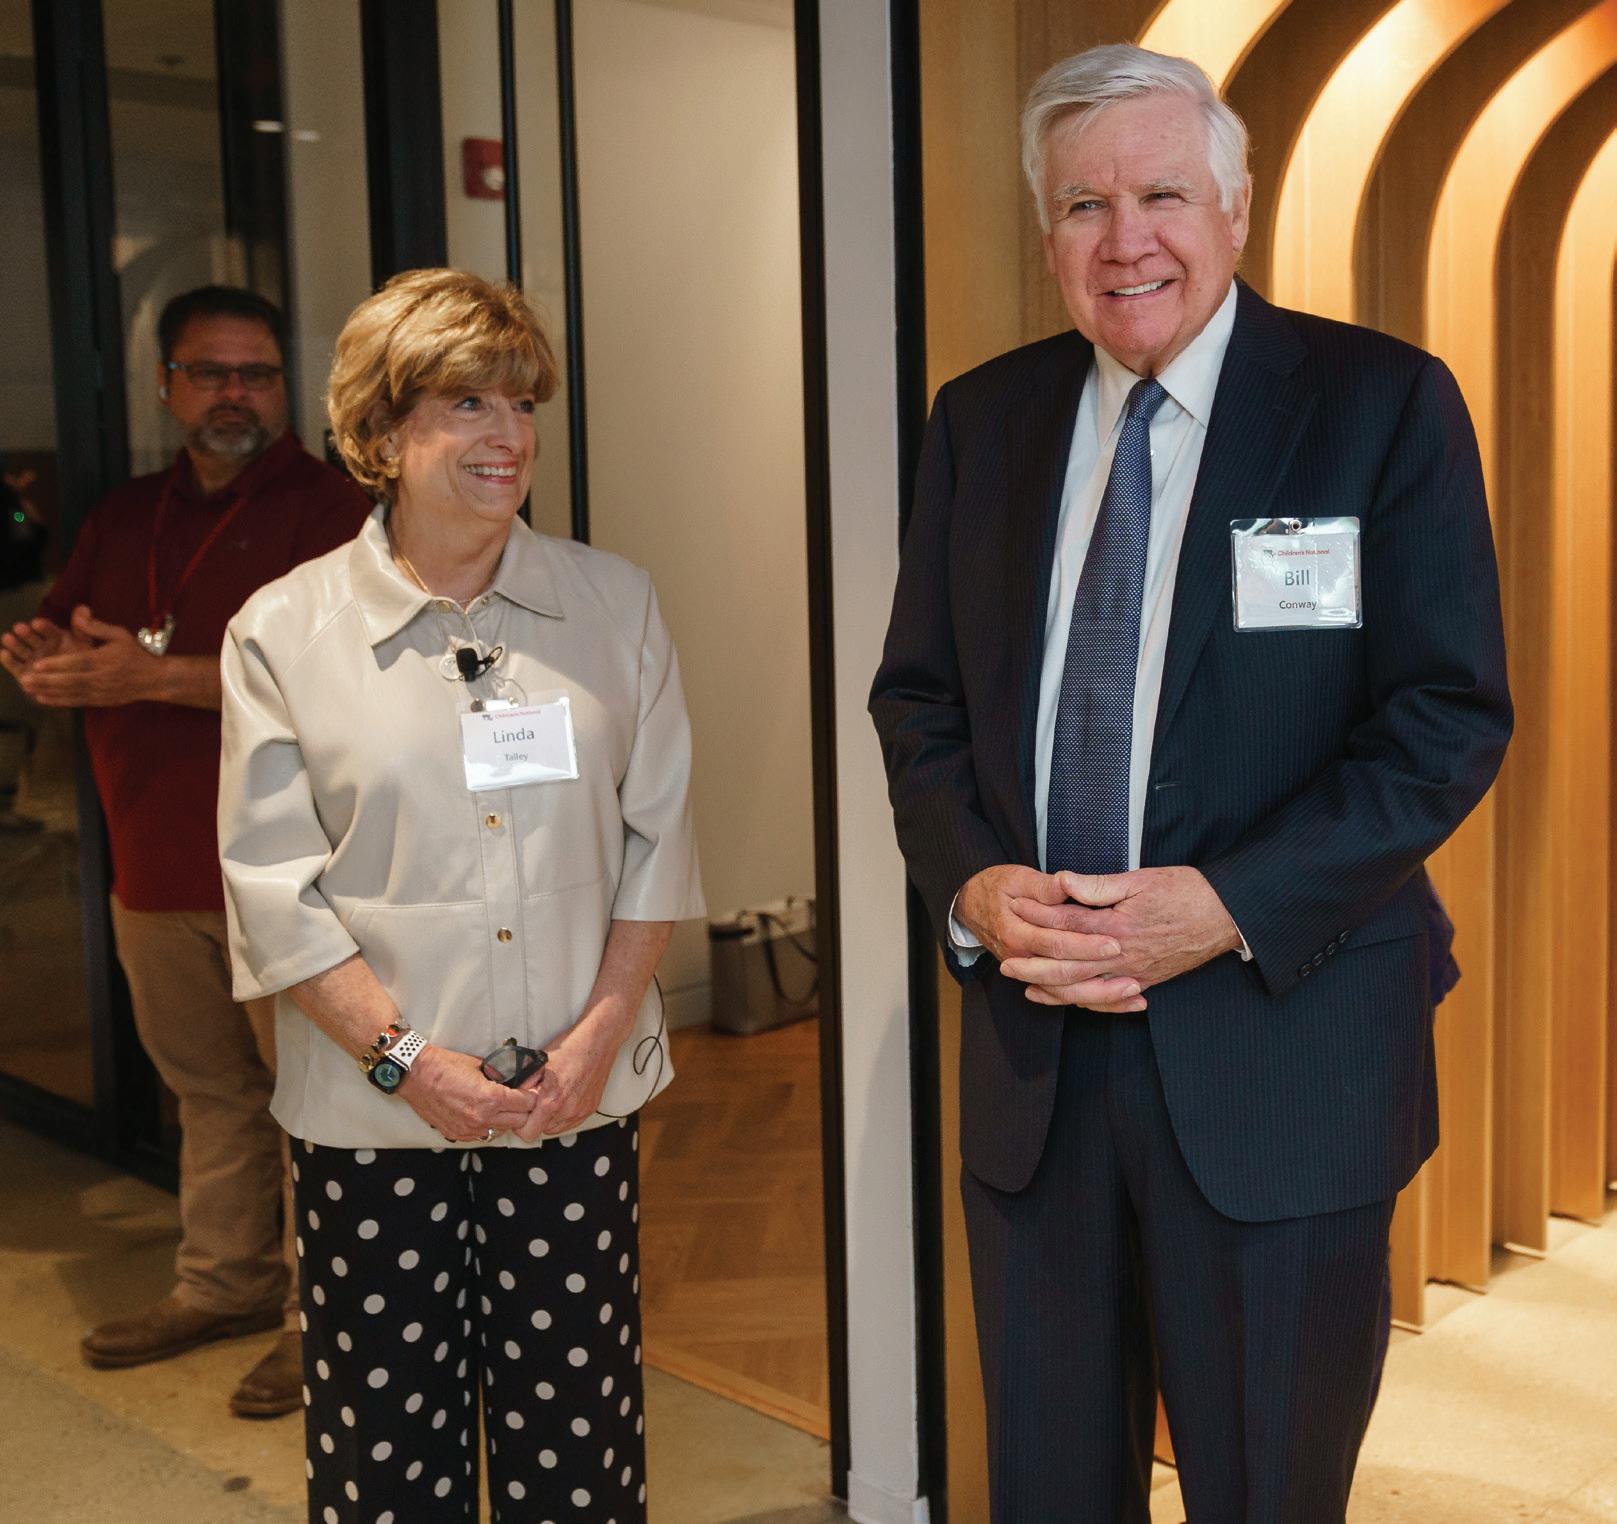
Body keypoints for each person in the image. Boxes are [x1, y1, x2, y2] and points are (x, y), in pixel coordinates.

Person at [869, 44, 1511, 1523]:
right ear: (1047, 234)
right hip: (1038, 1063)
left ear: (1236, 209)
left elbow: (1445, 718)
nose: (1125, 241)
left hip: (1280, 1050)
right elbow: (919, 702)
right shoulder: (984, 420)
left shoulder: (1379, 405)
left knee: (1266, 1487)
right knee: (1049, 1488)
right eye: (1082, 205)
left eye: (1161, 195)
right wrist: (974, 883)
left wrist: (1222, 907)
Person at [216, 267, 703, 1523]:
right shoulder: (281, 632)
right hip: (369, 1119)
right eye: (467, 404)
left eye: (521, 403)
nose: (508, 436)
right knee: (384, 1468)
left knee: (580, 1462)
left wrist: (597, 1042)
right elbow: (272, 890)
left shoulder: (615, 606)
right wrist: (408, 1064)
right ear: (381, 433)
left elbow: (657, 844)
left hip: (570, 1105)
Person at [0, 286, 370, 1417]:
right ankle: (224, 1285)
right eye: (210, 373)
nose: (235, 395)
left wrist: (146, 676)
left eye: (257, 374)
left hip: (294, 876)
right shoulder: (125, 514)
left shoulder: (335, 513)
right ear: (166, 386)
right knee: (207, 1093)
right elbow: (83, 636)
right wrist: (51, 661)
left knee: (315, 1102)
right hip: (152, 865)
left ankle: (325, 1322)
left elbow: (340, 691)